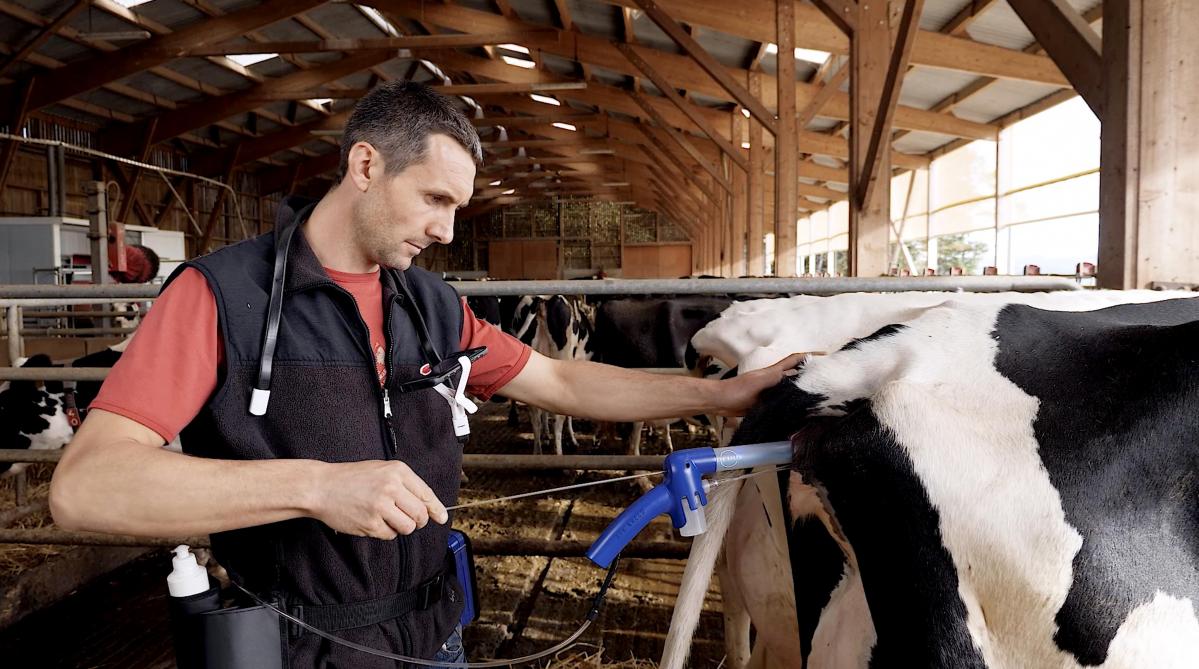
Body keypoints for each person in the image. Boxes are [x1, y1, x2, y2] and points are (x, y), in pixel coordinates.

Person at [49, 82, 802, 668]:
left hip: (437, 631)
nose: (446, 229)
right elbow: (87, 487)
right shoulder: (221, 297)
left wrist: (718, 393)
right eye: (435, 199)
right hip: (294, 647)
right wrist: (315, 486)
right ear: (366, 164)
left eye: (457, 205)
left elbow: (564, 384)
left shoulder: (434, 305)